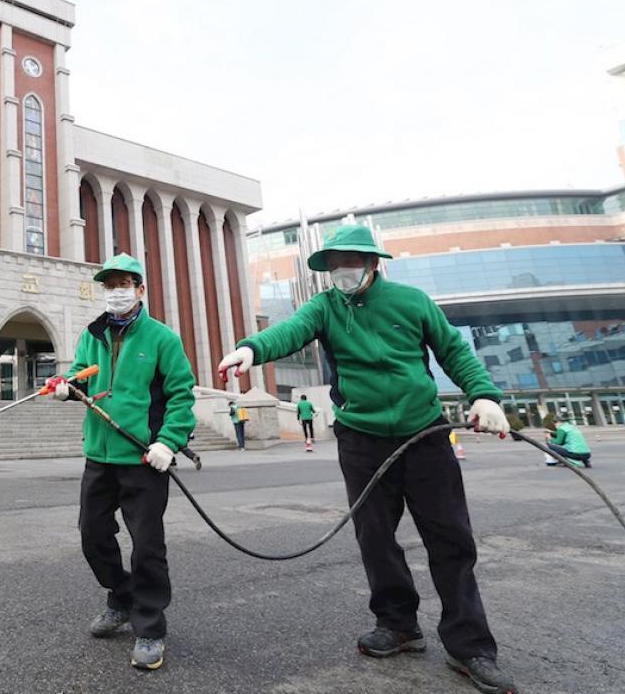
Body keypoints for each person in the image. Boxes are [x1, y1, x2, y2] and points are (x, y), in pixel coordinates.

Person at [218, 225, 518, 694]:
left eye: (352, 261)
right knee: (375, 536)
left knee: (451, 539)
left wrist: (483, 395)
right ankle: (398, 624)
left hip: (424, 435)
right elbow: (288, 332)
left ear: (373, 263)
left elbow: (454, 350)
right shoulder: (324, 307)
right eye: (335, 264)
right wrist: (250, 349)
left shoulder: (412, 301)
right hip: (361, 439)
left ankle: (470, 645)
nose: (343, 270)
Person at [46, 253, 196, 671]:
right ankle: (121, 596)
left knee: (147, 545)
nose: (116, 292)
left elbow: (182, 395)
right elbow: (81, 374)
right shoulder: (91, 334)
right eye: (109, 285)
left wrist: (168, 442)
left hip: (144, 458)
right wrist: (67, 385)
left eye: (123, 284)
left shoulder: (163, 338)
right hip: (99, 454)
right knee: (92, 535)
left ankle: (150, 626)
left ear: (140, 289)